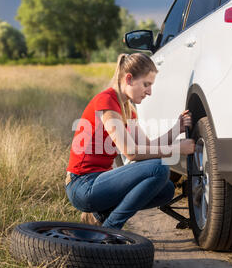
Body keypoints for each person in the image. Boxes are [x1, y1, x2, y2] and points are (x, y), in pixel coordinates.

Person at [65, 53, 195, 230]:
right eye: (146, 84)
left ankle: (99, 216)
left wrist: (176, 128)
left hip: (99, 182)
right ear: (129, 79)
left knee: (166, 190)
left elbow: (147, 147)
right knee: (159, 168)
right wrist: (176, 149)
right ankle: (111, 229)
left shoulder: (128, 110)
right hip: (82, 185)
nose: (149, 92)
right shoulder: (106, 100)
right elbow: (131, 153)